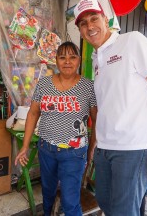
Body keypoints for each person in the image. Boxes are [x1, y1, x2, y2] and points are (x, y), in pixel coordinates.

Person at [74, 0, 147, 216]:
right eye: (83, 23)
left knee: (122, 211)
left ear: (106, 19)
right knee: (106, 203)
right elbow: (107, 106)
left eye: (94, 18)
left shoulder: (132, 41)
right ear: (80, 31)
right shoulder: (97, 57)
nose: (90, 26)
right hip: (105, 148)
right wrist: (94, 147)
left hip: (132, 149)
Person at [14, 41, 97, 216]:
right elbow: (33, 114)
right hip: (46, 149)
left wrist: (91, 149)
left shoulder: (88, 86)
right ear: (56, 60)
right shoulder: (44, 84)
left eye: (72, 57)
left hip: (74, 153)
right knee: (48, 193)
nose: (67, 61)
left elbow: (96, 120)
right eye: (62, 57)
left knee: (70, 202)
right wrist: (25, 146)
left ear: (79, 61)